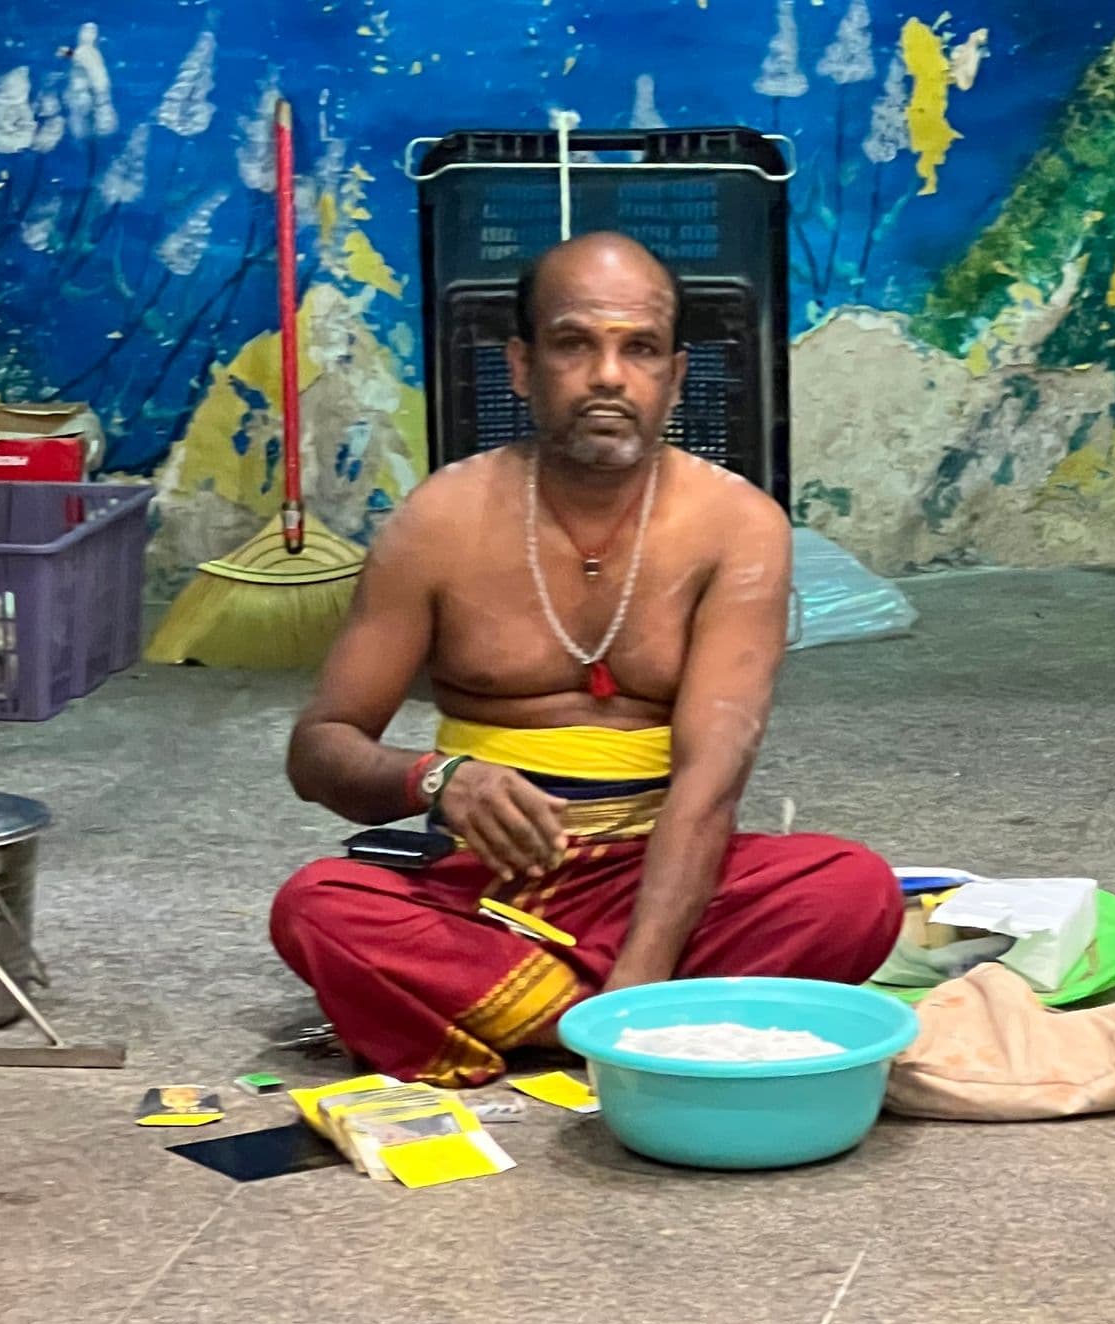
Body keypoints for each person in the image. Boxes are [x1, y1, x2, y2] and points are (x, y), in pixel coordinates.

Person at [271, 231, 902, 1085]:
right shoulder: (440, 521)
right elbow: (321, 748)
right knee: (317, 909)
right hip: (484, 888)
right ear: (524, 367)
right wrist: (437, 779)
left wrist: (631, 991)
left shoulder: (737, 526)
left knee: (852, 891)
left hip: (663, 871)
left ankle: (537, 1016)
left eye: (639, 348)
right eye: (576, 343)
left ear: (674, 379)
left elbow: (711, 780)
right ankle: (661, 1020)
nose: (609, 375)